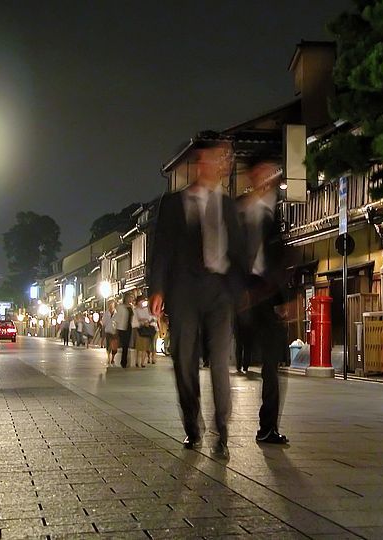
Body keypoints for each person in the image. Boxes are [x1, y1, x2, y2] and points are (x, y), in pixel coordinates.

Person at [149, 139, 246, 459]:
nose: (218, 165)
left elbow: (238, 253)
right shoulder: (173, 203)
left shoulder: (228, 205)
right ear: (198, 162)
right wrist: (158, 289)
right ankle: (193, 425)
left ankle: (222, 429)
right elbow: (160, 249)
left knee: (220, 361)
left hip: (218, 291)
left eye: (223, 160)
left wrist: (237, 292)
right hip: (184, 291)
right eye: (212, 158)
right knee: (184, 360)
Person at [237, 156, 291, 445]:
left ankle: (267, 427)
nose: (268, 177)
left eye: (272, 172)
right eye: (263, 172)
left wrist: (283, 299)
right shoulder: (239, 210)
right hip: (238, 295)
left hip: (265, 295)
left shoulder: (273, 213)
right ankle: (213, 427)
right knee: (222, 358)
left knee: (272, 362)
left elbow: (277, 260)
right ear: (251, 175)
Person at [132, 295, 157, 367]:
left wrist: (147, 321)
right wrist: (143, 320)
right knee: (138, 347)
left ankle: (142, 362)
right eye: (141, 301)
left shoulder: (147, 310)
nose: (142, 303)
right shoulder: (135, 310)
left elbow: (152, 318)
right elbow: (137, 319)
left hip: (146, 330)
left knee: (144, 347)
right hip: (139, 329)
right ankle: (137, 361)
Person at [115, 294, 134, 367]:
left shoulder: (132, 307)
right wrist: (116, 328)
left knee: (126, 345)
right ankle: (123, 361)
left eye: (131, 298)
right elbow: (117, 318)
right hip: (121, 327)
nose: (130, 299)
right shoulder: (120, 307)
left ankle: (124, 361)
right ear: (125, 298)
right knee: (124, 344)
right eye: (129, 298)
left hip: (129, 327)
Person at [101, 300, 119, 365]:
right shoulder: (106, 313)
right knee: (108, 345)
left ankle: (113, 358)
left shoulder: (117, 313)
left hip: (114, 332)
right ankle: (109, 357)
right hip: (108, 331)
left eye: (112, 304)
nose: (110, 306)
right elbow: (104, 323)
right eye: (109, 304)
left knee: (114, 347)